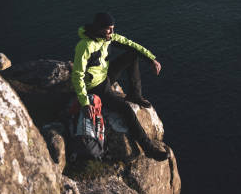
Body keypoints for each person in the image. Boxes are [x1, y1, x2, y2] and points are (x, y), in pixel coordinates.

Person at [72, 12, 169, 160]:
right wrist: (85, 102)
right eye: (108, 29)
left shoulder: (107, 38)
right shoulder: (85, 46)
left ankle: (135, 94)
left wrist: (151, 58)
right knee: (126, 109)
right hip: (96, 87)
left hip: (105, 77)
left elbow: (131, 44)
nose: (112, 32)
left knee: (132, 54)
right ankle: (148, 148)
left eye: (113, 28)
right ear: (99, 28)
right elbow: (77, 75)